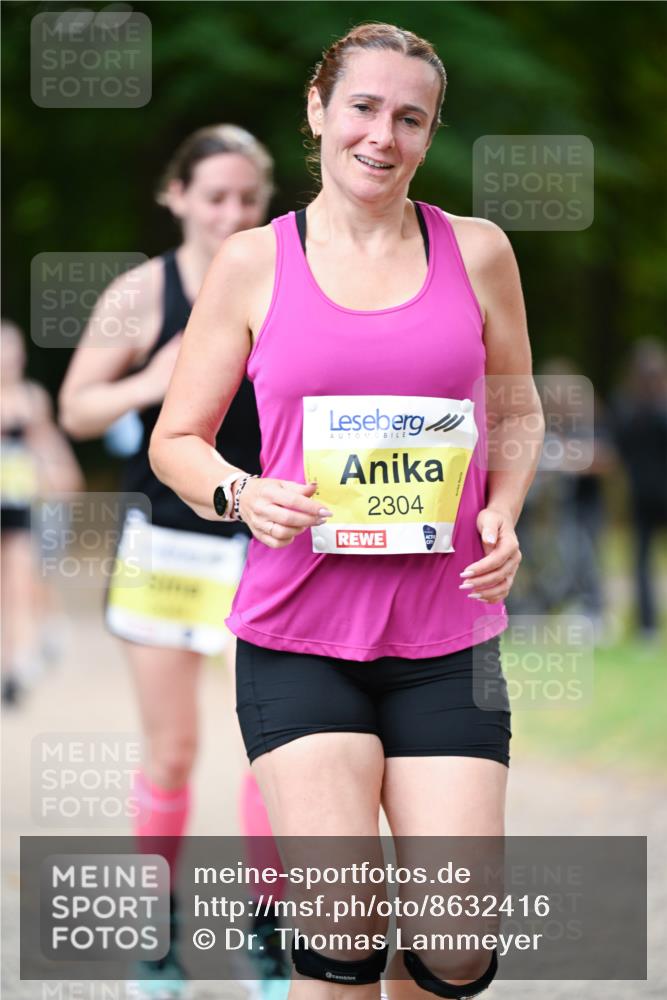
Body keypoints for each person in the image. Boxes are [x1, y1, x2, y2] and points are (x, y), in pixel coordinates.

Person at [150, 24, 544, 1000]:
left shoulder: (479, 251)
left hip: (446, 638)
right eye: (363, 107)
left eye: (409, 117)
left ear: (429, 133)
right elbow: (176, 440)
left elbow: (519, 408)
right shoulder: (253, 261)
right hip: (299, 633)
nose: (383, 134)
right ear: (319, 112)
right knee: (342, 931)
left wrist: (503, 508)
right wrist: (243, 492)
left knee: (454, 940)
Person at [58, 125, 287, 1000]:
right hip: (164, 545)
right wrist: (152, 381)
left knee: (274, 748)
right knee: (176, 748)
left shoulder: (282, 277)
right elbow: (77, 407)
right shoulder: (141, 291)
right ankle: (156, 939)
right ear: (176, 196)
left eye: (248, 198)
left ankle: (266, 934)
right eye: (215, 196)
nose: (232, 212)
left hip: (261, 539)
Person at [1, 320, 84, 705]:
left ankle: (17, 667)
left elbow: (48, 443)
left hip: (20, 503)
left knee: (22, 582)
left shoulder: (31, 399)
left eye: (12, 351)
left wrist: (64, 475)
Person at [610, 338, 667, 640]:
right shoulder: (639, 409)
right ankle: (647, 626)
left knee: (642, 561)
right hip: (646, 495)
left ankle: (648, 627)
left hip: (641, 494)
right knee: (641, 562)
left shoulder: (627, 408)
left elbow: (617, 452)